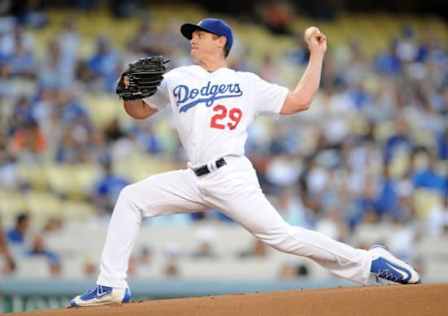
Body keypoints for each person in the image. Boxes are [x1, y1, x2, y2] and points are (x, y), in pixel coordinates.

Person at [70, 18, 420, 307]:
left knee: (282, 237)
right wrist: (127, 92)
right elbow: (140, 114)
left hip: (231, 175)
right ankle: (112, 284)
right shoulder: (177, 78)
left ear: (220, 41)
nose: (192, 39)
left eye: (200, 35)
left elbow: (299, 101)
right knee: (131, 197)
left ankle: (369, 261)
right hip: (194, 178)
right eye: (191, 35)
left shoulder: (245, 83)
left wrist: (316, 54)